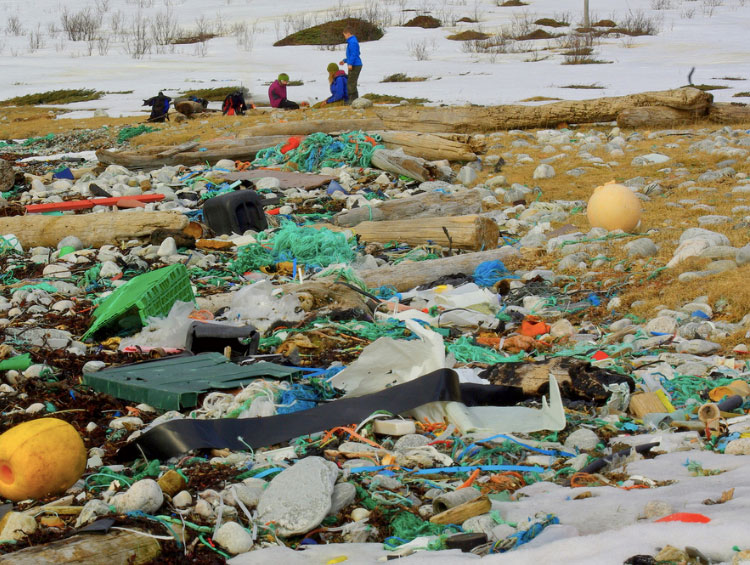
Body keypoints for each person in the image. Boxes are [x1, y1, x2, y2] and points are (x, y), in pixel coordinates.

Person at [339, 27, 362, 103]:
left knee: (351, 83)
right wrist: (345, 61)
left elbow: (354, 54)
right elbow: (352, 54)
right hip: (354, 64)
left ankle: (352, 101)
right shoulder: (352, 41)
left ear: (348, 34)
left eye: (344, 35)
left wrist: (350, 64)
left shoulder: (352, 42)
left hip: (355, 65)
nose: (344, 37)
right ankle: (355, 100)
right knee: (352, 82)